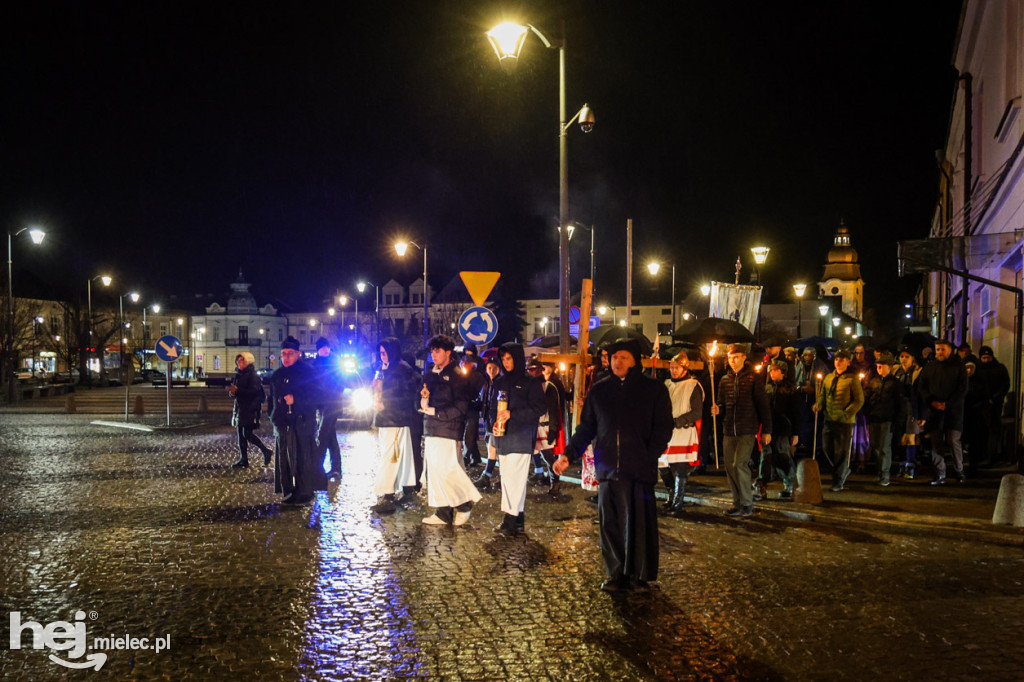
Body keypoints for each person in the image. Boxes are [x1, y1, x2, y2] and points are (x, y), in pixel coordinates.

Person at [553, 339, 673, 591]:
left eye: (623, 357)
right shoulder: (599, 390)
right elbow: (587, 428)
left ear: (635, 360)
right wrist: (568, 454)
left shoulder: (653, 389)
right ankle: (615, 573)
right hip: (608, 469)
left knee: (639, 525)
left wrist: (649, 455)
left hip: (639, 469)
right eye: (614, 357)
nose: (617, 362)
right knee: (611, 524)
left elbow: (663, 428)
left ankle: (639, 575)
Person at [419, 335, 482, 525]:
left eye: (437, 351)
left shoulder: (456, 375)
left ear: (448, 352)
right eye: (432, 351)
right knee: (436, 472)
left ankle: (463, 504)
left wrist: (437, 412)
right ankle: (443, 512)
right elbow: (419, 396)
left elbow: (461, 407)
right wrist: (422, 401)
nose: (434, 355)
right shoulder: (430, 374)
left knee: (448, 470)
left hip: (448, 429)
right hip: (431, 428)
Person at [489, 343, 546, 536]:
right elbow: (491, 408)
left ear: (518, 358)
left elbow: (539, 409)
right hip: (502, 437)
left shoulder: (531, 382)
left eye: (509, 358)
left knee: (514, 478)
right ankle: (518, 518)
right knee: (508, 477)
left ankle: (510, 518)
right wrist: (493, 425)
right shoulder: (499, 382)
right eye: (503, 359)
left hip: (521, 436)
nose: (506, 363)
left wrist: (512, 414)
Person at [710, 344, 772, 516]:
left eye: (736, 357)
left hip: (747, 428)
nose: (733, 361)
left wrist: (767, 429)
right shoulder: (724, 380)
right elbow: (722, 403)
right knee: (729, 466)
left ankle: (747, 502)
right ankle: (737, 502)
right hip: (729, 428)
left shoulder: (753, 378)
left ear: (744, 357)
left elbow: (763, 405)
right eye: (730, 358)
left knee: (740, 464)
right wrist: (718, 410)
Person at [269, 336, 328, 505]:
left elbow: (317, 396)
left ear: (297, 354)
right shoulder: (277, 375)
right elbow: (272, 398)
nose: (286, 357)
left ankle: (305, 491)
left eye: (290, 353)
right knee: (285, 458)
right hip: (282, 422)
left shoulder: (307, 372)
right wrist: (273, 416)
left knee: (303, 456)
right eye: (283, 354)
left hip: (302, 421)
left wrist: (296, 399)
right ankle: (288, 490)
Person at [369, 337, 420, 515]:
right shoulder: (382, 368)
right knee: (391, 455)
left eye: (384, 352)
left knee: (391, 457)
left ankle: (388, 495)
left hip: (396, 419)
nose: (382, 356)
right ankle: (403, 489)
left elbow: (407, 396)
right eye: (380, 353)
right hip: (385, 419)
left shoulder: (403, 369)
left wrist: (387, 404)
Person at [917, 339, 968, 485]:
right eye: (938, 349)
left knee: (953, 440)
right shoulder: (930, 367)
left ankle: (959, 470)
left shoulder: (959, 367)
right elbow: (922, 387)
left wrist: (948, 403)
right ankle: (940, 474)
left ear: (950, 350)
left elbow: (962, 389)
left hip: (954, 411)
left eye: (942, 349)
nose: (940, 352)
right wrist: (931, 402)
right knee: (936, 442)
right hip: (934, 411)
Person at [659, 351, 704, 516]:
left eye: (676, 367)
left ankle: (678, 503)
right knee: (662, 464)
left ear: (685, 368)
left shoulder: (693, 385)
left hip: (683, 432)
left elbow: (697, 412)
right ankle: (671, 495)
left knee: (680, 469)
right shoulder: (666, 384)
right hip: (668, 432)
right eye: (671, 367)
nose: (673, 370)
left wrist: (678, 421)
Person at [814, 348, 864, 492]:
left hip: (844, 421)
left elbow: (859, 400)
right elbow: (823, 395)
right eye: (836, 359)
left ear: (848, 362)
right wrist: (819, 405)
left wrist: (846, 413)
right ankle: (842, 472)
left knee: (841, 452)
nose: (838, 362)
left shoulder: (852, 379)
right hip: (829, 419)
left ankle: (838, 481)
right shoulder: (829, 377)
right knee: (827, 448)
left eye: (842, 360)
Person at [761, 358, 800, 499]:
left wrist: (796, 433)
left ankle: (791, 484)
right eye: (771, 370)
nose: (773, 373)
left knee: (784, 457)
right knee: (773, 457)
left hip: (784, 428)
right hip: (770, 428)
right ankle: (784, 483)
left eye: (776, 370)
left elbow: (796, 412)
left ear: (783, 373)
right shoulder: (768, 388)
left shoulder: (789, 390)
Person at [227, 351, 273, 468]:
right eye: (238, 361)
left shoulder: (253, 376)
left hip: (250, 407)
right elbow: (236, 391)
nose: (239, 363)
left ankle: (266, 450)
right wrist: (232, 393)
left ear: (248, 361)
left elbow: (254, 392)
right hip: (240, 407)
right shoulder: (239, 374)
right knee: (240, 434)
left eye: (241, 360)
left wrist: (238, 391)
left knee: (246, 433)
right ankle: (244, 459)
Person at [864, 351, 901, 486]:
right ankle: (879, 472)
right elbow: (867, 399)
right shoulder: (874, 381)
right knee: (876, 447)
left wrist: (897, 421)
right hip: (874, 418)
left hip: (887, 419)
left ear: (889, 367)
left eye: (881, 366)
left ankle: (885, 474)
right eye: (878, 366)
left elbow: (899, 403)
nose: (878, 369)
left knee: (884, 447)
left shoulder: (895, 384)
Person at [311, 337, 343, 480]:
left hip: (332, 404)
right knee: (330, 437)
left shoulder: (335, 365)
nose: (325, 350)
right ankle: (336, 469)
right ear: (318, 350)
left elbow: (341, 383)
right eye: (322, 348)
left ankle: (317, 469)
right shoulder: (314, 365)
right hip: (321, 405)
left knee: (322, 435)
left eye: (326, 348)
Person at [893, 348, 924, 479]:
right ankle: (901, 465)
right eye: (901, 357)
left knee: (911, 438)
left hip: (912, 408)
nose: (903, 359)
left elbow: (922, 394)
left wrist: (922, 414)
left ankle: (910, 466)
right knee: (901, 438)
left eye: (906, 357)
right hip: (899, 409)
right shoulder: (897, 372)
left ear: (912, 358)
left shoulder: (918, 372)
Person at [977, 346, 1010, 463]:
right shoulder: (978, 370)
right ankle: (983, 454)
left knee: (993, 429)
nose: (986, 360)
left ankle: (991, 455)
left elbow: (1005, 385)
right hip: (981, 405)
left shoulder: (999, 369)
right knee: (982, 430)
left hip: (995, 405)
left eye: (988, 358)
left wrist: (995, 397)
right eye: (984, 358)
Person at [474, 357, 502, 492]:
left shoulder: (500, 383)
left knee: (496, 450)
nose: (492, 370)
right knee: (492, 448)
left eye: (494, 368)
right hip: (488, 421)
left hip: (497, 421)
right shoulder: (486, 383)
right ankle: (489, 475)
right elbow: (483, 401)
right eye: (489, 368)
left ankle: (490, 476)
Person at [459, 353, 486, 468]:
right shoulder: (459, 375)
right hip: (462, 408)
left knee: (469, 434)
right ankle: (476, 456)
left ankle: (466, 457)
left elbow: (478, 391)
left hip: (472, 408)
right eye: (463, 362)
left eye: (467, 363)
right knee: (469, 434)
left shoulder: (478, 376)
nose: (464, 365)